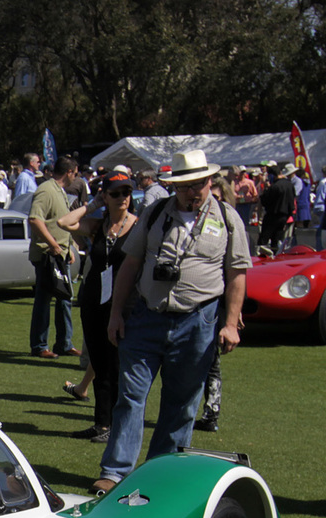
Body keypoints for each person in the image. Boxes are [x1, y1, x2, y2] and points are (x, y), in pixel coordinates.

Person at [94, 150, 250, 495]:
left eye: (199, 185)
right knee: (130, 395)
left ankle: (159, 474)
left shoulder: (227, 218)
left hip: (198, 321)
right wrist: (116, 313)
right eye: (184, 186)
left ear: (210, 182)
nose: (192, 192)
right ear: (173, 186)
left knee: (182, 403)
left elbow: (236, 273)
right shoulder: (153, 214)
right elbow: (130, 266)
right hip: (147, 317)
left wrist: (232, 323)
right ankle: (116, 472)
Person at [57, 172, 137, 444]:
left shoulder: (137, 226)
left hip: (124, 303)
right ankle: (101, 423)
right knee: (100, 365)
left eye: (126, 192)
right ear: (106, 196)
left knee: (116, 366)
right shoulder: (98, 225)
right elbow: (64, 222)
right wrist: (93, 205)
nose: (122, 198)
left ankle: (115, 425)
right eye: (115, 193)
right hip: (93, 299)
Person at [27, 155, 80, 357]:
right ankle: (40, 345)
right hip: (47, 255)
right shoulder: (46, 190)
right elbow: (35, 219)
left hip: (60, 254)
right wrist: (53, 244)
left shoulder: (60, 192)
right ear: (69, 172)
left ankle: (64, 343)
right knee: (44, 299)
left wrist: (68, 248)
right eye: (75, 173)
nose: (76, 177)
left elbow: (59, 222)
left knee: (65, 298)